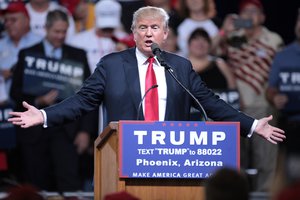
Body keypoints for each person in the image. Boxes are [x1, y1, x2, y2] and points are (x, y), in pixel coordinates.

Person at [8, 5, 285, 159]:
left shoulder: (180, 66)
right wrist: (44, 115)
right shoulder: (112, 65)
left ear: (165, 34)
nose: (148, 33)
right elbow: (82, 101)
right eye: (143, 28)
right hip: (121, 159)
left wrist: (251, 124)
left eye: (155, 28)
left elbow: (209, 103)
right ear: (133, 33)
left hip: (171, 159)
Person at [9, 10, 96, 191]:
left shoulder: (77, 55)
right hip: (34, 133)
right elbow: (15, 92)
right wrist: (38, 99)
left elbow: (89, 95)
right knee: (35, 186)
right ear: (46, 29)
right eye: (56, 31)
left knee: (70, 184)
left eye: (64, 32)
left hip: (67, 132)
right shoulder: (28, 54)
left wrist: (85, 132)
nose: (60, 36)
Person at [214, 0, 284, 192]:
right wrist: (223, 31)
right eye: (245, 11)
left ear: (262, 17)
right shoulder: (231, 37)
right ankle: (236, 194)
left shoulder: (274, 39)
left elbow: (281, 72)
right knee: (236, 158)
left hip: (263, 104)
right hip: (235, 106)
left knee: (266, 157)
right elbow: (210, 53)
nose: (250, 15)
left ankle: (266, 194)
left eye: (254, 11)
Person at [266, 9, 300, 166]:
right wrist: (274, 97)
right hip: (291, 126)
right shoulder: (283, 55)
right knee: (289, 174)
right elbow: (270, 89)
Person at [0, 2, 42, 102]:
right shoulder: (1, 43)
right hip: (4, 105)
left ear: (27, 21)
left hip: (33, 105)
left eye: (13, 20)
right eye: (6, 20)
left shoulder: (40, 43)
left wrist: (16, 72)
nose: (8, 24)